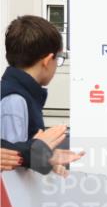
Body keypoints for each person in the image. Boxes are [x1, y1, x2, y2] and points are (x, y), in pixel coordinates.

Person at [1, 16, 83, 175]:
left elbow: (23, 154)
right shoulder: (15, 99)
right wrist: (41, 153)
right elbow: (10, 164)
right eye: (58, 59)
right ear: (47, 61)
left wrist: (47, 160)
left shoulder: (23, 95)